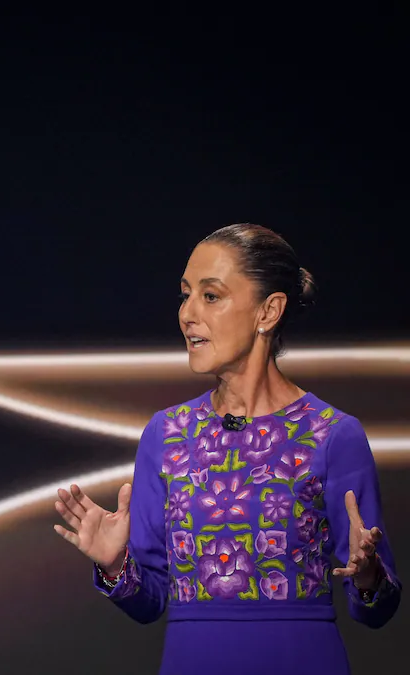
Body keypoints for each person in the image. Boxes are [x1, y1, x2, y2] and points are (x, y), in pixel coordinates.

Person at [53, 223, 400, 674]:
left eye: (211, 296)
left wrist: (369, 576)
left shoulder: (333, 435)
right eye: (185, 295)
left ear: (268, 311)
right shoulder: (166, 434)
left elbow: (376, 610)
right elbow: (149, 602)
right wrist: (116, 565)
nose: (187, 313)